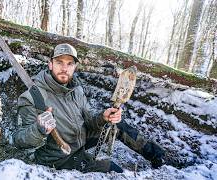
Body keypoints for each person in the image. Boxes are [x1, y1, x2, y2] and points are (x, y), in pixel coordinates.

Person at [13, 43, 164, 173]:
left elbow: (89, 118)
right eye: (59, 62)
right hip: (59, 157)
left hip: (80, 139)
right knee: (113, 170)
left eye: (69, 63)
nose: (64, 68)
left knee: (117, 124)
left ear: (75, 67)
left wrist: (103, 117)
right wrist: (39, 129)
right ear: (50, 64)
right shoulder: (32, 97)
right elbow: (19, 140)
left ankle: (159, 158)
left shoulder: (76, 90)